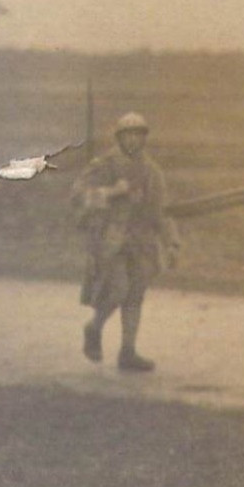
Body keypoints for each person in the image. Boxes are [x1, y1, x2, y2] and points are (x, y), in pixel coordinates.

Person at [72, 111, 181, 372]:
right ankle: (94, 327)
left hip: (141, 242)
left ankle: (128, 352)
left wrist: (171, 242)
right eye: (128, 135)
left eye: (138, 135)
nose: (133, 141)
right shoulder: (104, 165)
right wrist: (111, 192)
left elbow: (161, 211)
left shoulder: (152, 172)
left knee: (135, 296)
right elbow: (78, 197)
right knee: (118, 289)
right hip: (111, 240)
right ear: (119, 138)